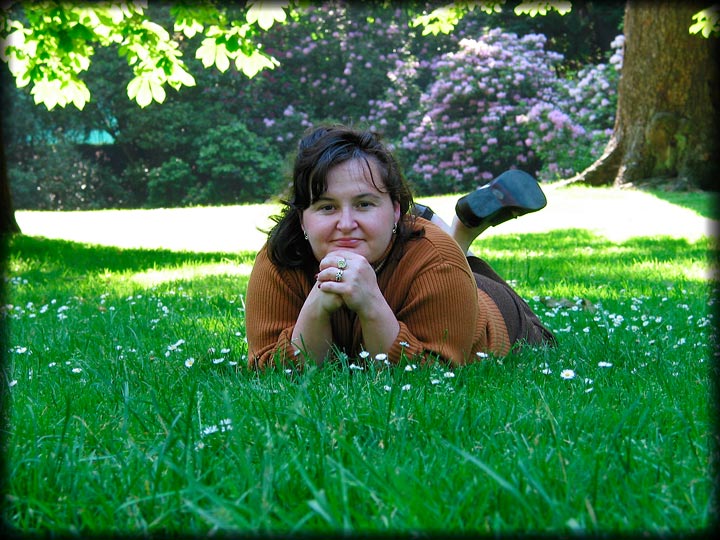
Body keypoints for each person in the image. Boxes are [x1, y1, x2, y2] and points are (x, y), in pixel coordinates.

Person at [245, 124, 556, 369]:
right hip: (412, 249)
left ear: (395, 210)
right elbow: (271, 370)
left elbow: (428, 375)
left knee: (446, 257)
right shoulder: (279, 258)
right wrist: (315, 307)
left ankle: (459, 239)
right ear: (302, 219)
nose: (345, 223)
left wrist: (370, 303)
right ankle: (454, 233)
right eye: (327, 207)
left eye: (364, 204)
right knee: (430, 247)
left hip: (488, 307)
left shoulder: (438, 261)